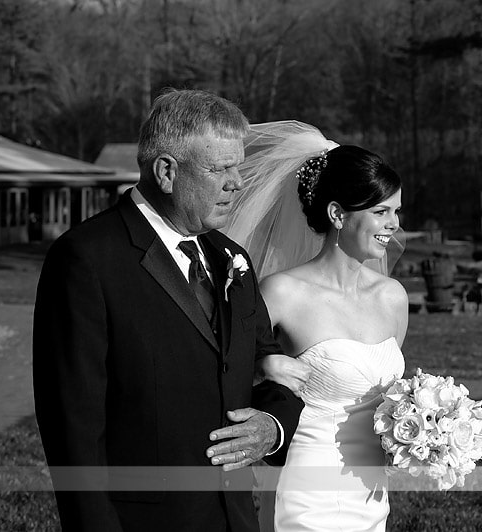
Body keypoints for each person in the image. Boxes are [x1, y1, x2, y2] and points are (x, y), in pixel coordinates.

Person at [33, 90, 304, 532]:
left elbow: (271, 367)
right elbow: (72, 426)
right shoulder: (87, 259)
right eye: (220, 169)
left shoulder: (232, 258)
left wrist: (272, 426)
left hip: (234, 518)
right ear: (166, 171)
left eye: (238, 166)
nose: (237, 182)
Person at [224, 122, 408, 531]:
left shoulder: (393, 298)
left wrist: (419, 429)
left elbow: (392, 396)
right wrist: (264, 366)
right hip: (305, 489)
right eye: (381, 212)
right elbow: (226, 369)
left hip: (371, 489)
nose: (394, 224)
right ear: (337, 214)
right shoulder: (283, 292)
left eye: (396, 211)